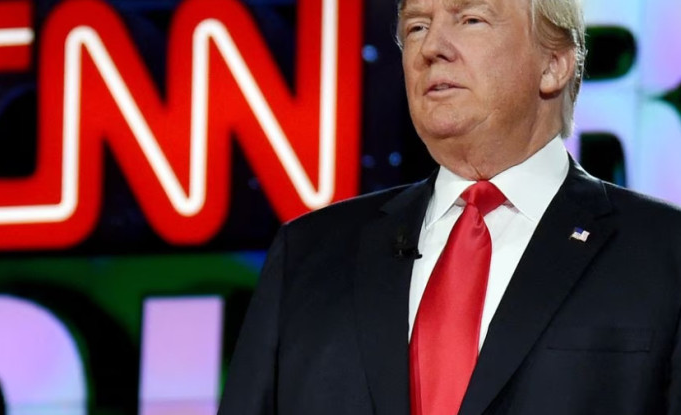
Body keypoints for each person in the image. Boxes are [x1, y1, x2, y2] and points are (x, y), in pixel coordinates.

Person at [217, 0, 681, 413]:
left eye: (471, 19)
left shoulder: (664, 254)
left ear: (554, 64)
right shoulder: (307, 256)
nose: (431, 47)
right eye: (416, 26)